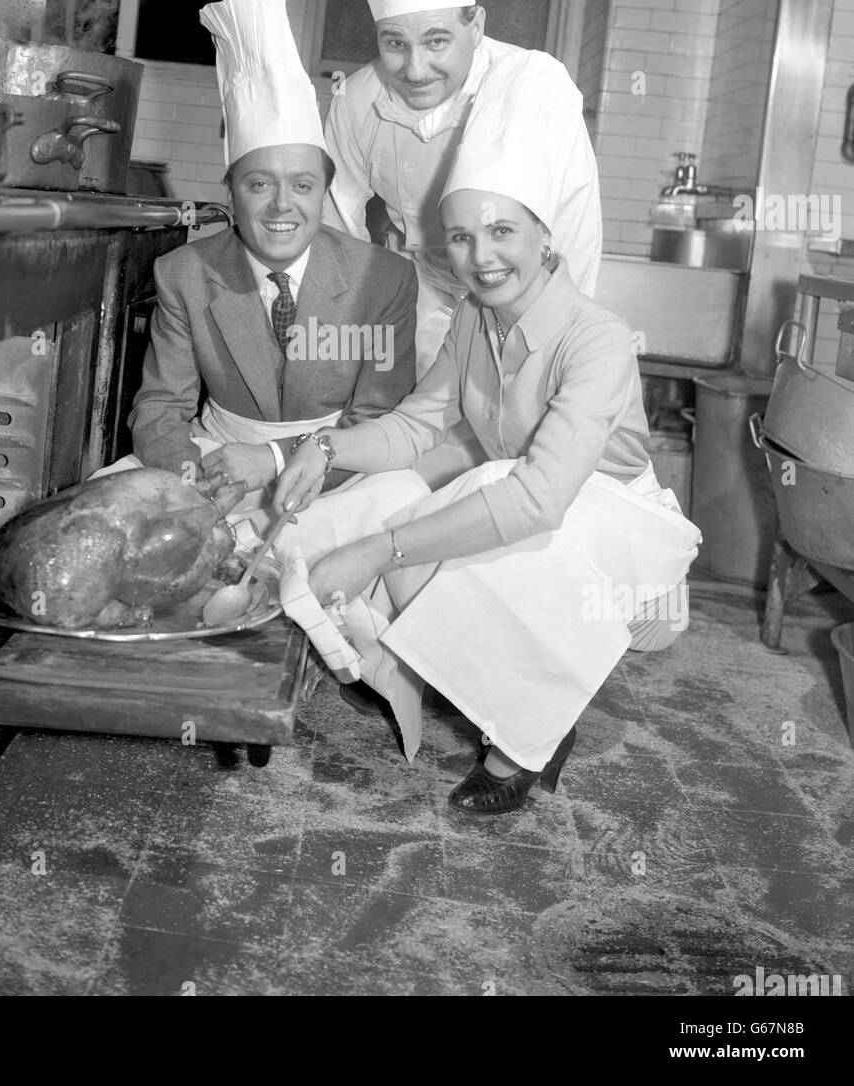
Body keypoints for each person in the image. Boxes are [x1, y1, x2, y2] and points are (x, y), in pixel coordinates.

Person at [270, 52, 701, 816]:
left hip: (626, 545)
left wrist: (371, 551)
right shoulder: (474, 319)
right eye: (461, 237)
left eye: (501, 231)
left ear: (544, 236)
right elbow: (414, 427)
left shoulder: (595, 338)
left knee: (465, 506)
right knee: (426, 514)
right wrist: (327, 446)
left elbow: (537, 498)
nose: (480, 257)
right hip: (539, 512)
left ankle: (527, 734)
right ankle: (516, 698)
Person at [118, 0, 418, 525]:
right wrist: (198, 486)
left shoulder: (384, 279)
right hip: (215, 464)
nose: (283, 206)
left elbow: (378, 416)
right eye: (259, 184)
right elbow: (161, 409)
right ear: (231, 190)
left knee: (399, 505)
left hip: (336, 470)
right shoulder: (184, 273)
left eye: (302, 185)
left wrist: (278, 458)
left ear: (323, 191)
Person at [323, 0, 603, 378]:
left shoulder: (531, 85)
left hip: (528, 309)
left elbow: (574, 233)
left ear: (475, 24)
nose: (415, 69)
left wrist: (553, 352)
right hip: (414, 304)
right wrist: (367, 314)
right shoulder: (356, 99)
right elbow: (336, 219)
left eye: (436, 41)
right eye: (394, 43)